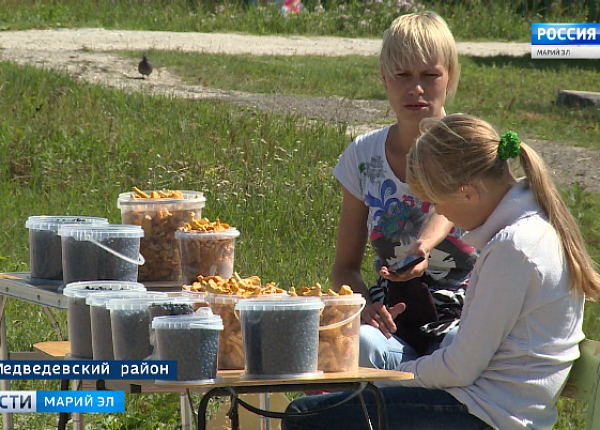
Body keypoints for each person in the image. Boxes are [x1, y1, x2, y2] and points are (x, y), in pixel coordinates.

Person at [282, 113, 600, 430]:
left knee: (304, 417)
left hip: (486, 416)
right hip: (487, 405)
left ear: (467, 193)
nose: (439, 213)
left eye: (437, 202)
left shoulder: (514, 249)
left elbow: (460, 368)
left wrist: (388, 381)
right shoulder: (530, 228)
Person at [331, 10, 477, 369]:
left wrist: (422, 247)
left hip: (460, 316)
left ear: (451, 77)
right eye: (402, 75)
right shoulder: (363, 157)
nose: (416, 88)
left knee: (462, 346)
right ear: (384, 78)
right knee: (360, 343)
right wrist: (366, 307)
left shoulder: (467, 146)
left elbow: (446, 205)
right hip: (391, 318)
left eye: (430, 75)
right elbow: (344, 268)